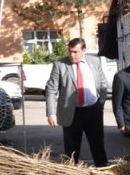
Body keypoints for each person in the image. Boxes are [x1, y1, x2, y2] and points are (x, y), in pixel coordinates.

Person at [44, 37, 109, 167]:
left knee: (98, 146)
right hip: (72, 113)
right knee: (71, 151)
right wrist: (51, 113)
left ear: (84, 50)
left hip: (93, 111)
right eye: (70, 51)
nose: (72, 55)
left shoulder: (95, 62)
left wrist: (100, 104)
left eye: (75, 52)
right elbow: (51, 89)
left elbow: (103, 84)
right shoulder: (60, 65)